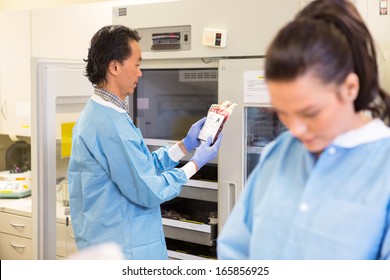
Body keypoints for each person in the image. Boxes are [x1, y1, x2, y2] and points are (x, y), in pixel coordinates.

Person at [217, 0, 390, 260]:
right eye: (282, 113)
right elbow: (236, 250)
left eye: (311, 113)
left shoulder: (382, 167)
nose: (295, 130)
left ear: (350, 88)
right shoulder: (279, 154)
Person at [67, 25, 222, 260]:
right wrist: (196, 164)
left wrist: (185, 146)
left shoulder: (101, 114)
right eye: (137, 64)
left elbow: (138, 167)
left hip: (113, 244)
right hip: (125, 251)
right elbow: (150, 190)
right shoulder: (109, 124)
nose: (140, 73)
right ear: (115, 67)